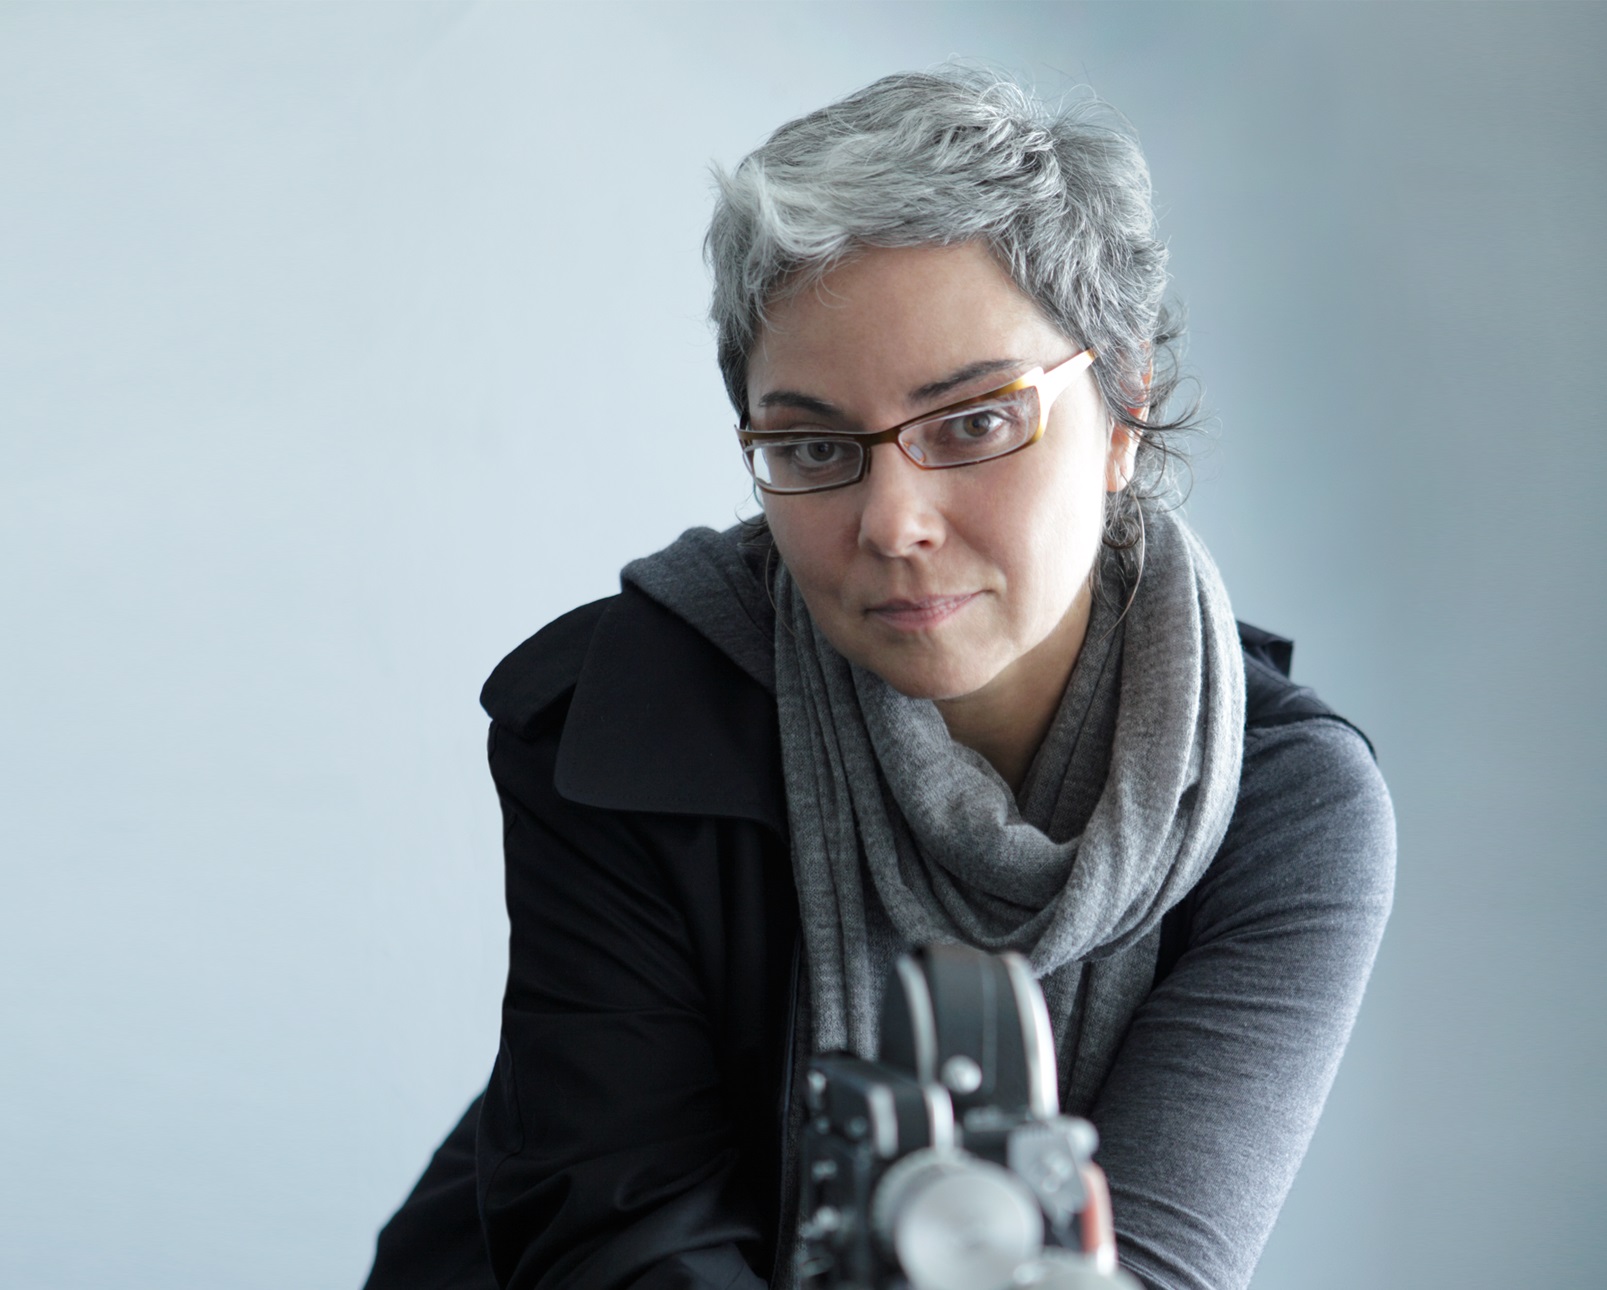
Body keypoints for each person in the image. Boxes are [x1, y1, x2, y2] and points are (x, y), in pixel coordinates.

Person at [364, 67, 1395, 1290]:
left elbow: (1152, 1271)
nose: (892, 522)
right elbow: (628, 1247)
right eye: (812, 446)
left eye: (973, 422)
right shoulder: (621, 710)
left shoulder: (1284, 809)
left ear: (1123, 407)